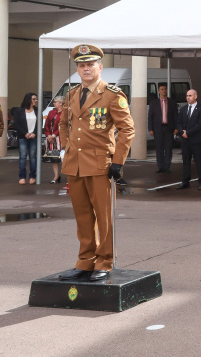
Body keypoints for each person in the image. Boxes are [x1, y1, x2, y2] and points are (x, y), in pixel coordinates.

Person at [57, 44, 135, 282]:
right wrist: (66, 148)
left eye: (90, 64)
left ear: (100, 67)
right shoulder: (71, 95)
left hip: (100, 164)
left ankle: (105, 261)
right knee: (82, 217)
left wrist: (118, 162)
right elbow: (63, 124)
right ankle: (85, 261)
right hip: (75, 164)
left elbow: (127, 129)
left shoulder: (112, 95)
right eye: (82, 65)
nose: (86, 69)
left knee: (103, 217)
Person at [176, 89, 201, 190]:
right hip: (185, 140)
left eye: (190, 95)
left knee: (198, 161)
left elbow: (200, 124)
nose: (188, 97)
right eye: (187, 96)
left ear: (195, 96)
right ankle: (185, 181)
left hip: (195, 139)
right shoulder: (184, 109)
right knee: (185, 161)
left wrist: (188, 133)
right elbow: (179, 122)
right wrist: (182, 132)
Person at [147, 83, 178, 174]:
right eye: (162, 89)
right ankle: (160, 166)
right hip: (158, 128)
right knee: (159, 148)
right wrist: (150, 129)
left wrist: (176, 128)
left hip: (169, 128)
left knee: (168, 148)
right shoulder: (154, 103)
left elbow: (176, 116)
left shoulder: (172, 102)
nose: (164, 91)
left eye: (165, 89)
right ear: (159, 91)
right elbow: (150, 117)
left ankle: (167, 166)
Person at [11, 92, 40, 185]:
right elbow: (17, 124)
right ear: (28, 100)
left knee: (33, 157)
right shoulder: (19, 111)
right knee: (23, 157)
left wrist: (35, 133)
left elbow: (40, 124)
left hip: (33, 137)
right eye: (34, 99)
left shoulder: (38, 111)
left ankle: (32, 176)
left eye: (36, 99)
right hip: (23, 137)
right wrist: (25, 133)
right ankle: (22, 177)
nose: (36, 101)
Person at [43, 96, 65, 183]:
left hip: (61, 138)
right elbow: (47, 124)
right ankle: (56, 176)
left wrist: (54, 135)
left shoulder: (65, 113)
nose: (54, 103)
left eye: (55, 102)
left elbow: (63, 126)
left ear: (61, 103)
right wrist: (48, 135)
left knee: (64, 157)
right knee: (54, 157)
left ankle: (69, 178)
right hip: (51, 139)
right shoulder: (51, 112)